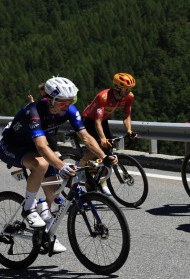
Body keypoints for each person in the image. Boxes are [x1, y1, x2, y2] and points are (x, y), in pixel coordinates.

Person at [0, 77, 115, 254]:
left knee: (53, 192)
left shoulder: (69, 109)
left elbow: (86, 137)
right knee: (40, 164)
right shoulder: (34, 112)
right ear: (50, 99)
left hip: (36, 146)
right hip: (12, 146)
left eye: (71, 102)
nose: (66, 106)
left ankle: (48, 234)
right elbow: (41, 147)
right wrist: (62, 166)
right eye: (62, 103)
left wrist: (104, 156)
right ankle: (28, 208)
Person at [81, 73, 138, 194]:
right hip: (89, 120)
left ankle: (102, 181)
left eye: (130, 89)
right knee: (97, 147)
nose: (129, 91)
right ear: (118, 87)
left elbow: (127, 115)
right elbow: (97, 121)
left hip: (103, 120)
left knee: (109, 152)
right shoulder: (104, 97)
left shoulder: (129, 97)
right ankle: (81, 166)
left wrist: (129, 130)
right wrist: (102, 139)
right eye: (126, 89)